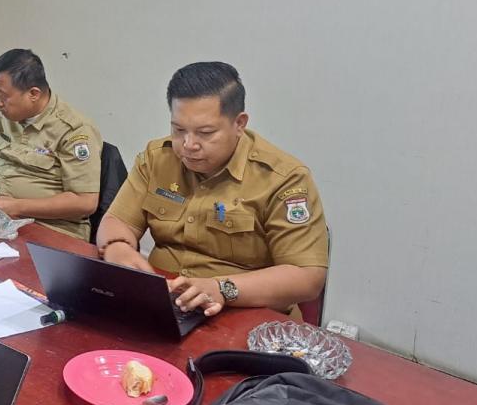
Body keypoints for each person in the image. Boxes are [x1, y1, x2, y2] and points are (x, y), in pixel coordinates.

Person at [96, 62, 328, 319]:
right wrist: (117, 247)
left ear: (239, 123)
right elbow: (117, 220)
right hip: (166, 303)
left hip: (244, 313)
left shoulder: (283, 179)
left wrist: (223, 289)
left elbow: (307, 276)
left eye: (205, 133)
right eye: (179, 130)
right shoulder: (157, 158)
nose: (188, 144)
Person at [0, 49, 102, 240]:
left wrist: (17, 206)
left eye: (3, 95)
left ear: (33, 94)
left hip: (50, 230)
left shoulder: (74, 131)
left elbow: (85, 202)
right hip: (2, 221)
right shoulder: (11, 116)